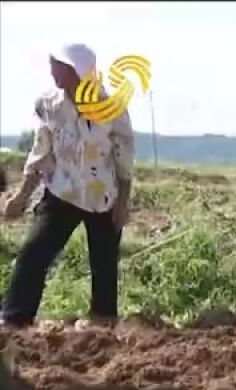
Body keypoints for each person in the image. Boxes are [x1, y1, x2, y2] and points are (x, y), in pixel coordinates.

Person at [0, 43, 135, 329]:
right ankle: (14, 320)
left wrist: (123, 202)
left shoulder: (109, 107)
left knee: (104, 265)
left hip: (103, 196)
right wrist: (22, 195)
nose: (52, 70)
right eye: (51, 63)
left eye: (58, 65)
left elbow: (124, 155)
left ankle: (103, 322)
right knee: (33, 253)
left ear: (77, 72)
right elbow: (41, 151)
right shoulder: (49, 103)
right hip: (62, 190)